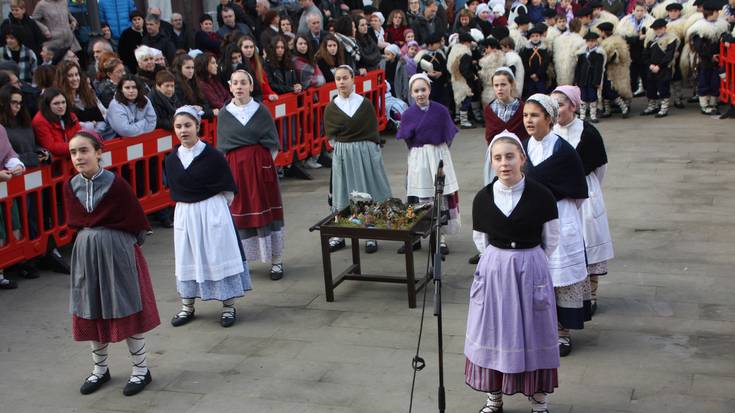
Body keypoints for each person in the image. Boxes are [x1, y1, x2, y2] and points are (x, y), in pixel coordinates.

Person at [466, 130, 560, 413]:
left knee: (535, 331)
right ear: (491, 163)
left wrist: (529, 262)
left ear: (522, 159)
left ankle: (539, 401)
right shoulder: (483, 198)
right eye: (498, 158)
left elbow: (551, 238)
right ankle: (494, 398)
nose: (504, 163)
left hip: (531, 266)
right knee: (493, 331)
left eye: (510, 156)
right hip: (495, 270)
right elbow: (480, 239)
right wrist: (499, 263)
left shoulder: (541, 196)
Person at [64, 130, 159, 396]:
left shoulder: (116, 185)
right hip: (86, 254)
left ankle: (141, 370)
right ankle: (100, 370)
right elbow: (74, 222)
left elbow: (136, 222)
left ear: (98, 153)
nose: (79, 157)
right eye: (73, 152)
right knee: (90, 306)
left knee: (125, 305)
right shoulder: (70, 186)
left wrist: (118, 246)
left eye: (84, 151)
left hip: (117, 252)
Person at [165, 106, 252, 328]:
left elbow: (228, 190)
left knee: (218, 253)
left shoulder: (212, 155)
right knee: (188, 255)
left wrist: (214, 210)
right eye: (178, 126)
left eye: (187, 125)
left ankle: (228, 306)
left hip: (211, 210)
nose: (183, 130)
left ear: (197, 126)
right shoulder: (172, 159)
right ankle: (187, 306)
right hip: (186, 213)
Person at [522, 93, 589, 358]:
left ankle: (563, 332)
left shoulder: (563, 150)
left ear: (549, 119)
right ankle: (540, 329)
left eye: (535, 115)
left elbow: (578, 191)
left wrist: (561, 212)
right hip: (531, 220)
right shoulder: (524, 147)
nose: (529, 120)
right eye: (526, 115)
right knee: (538, 277)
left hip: (560, 216)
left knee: (560, 278)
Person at [216, 70, 285, 280]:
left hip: (260, 167)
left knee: (267, 209)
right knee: (239, 211)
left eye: (243, 83)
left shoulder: (261, 111)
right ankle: (242, 260)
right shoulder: (225, 113)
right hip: (236, 169)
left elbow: (272, 144)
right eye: (235, 83)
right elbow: (223, 148)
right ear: (230, 87)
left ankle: (276, 261)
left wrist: (263, 164)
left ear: (251, 86)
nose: (239, 87)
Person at [551, 85, 613, 317]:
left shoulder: (588, 133)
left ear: (573, 107)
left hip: (585, 192)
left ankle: (592, 292)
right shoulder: (549, 132)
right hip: (558, 194)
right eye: (554, 104)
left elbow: (600, 167)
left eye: (561, 104)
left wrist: (589, 189)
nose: (557, 109)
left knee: (589, 239)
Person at [324, 65, 392, 254]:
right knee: (342, 191)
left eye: (345, 78)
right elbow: (331, 136)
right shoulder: (332, 107)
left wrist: (371, 155)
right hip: (344, 153)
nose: (342, 82)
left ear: (353, 79)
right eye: (338, 79)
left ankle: (370, 233)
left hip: (364, 153)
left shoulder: (364, 103)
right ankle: (340, 234)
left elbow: (373, 132)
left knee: (366, 191)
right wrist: (341, 151)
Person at [396, 73, 460, 254]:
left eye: (423, 89)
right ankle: (414, 236)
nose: (420, 94)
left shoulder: (441, 111)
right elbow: (407, 139)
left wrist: (438, 151)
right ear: (411, 93)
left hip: (438, 154)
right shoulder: (408, 114)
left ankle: (440, 237)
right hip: (418, 157)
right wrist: (419, 154)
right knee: (416, 195)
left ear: (429, 90)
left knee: (438, 196)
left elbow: (449, 136)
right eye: (416, 91)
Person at [688, 0, 728, 115]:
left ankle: (713, 103)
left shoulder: (722, 26)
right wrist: (710, 56)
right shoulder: (699, 28)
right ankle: (704, 105)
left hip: (718, 59)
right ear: (711, 12)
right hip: (705, 60)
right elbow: (698, 46)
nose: (718, 13)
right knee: (704, 81)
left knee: (716, 81)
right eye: (716, 11)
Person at [55, 60, 109, 136]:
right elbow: (69, 127)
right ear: (62, 78)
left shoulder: (87, 95)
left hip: (96, 138)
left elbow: (101, 121)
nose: (75, 78)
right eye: (70, 76)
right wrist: (90, 125)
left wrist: (91, 130)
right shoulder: (60, 100)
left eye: (76, 74)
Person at [640, 18, 678, 117]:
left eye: (660, 28)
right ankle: (652, 106)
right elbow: (645, 54)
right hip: (651, 67)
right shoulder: (650, 38)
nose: (658, 31)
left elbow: (669, 55)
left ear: (665, 28)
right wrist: (650, 65)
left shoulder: (671, 38)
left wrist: (659, 66)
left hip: (664, 68)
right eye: (656, 29)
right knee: (650, 88)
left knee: (663, 88)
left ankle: (664, 108)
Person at [32, 88, 81, 157]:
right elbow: (51, 146)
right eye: (56, 103)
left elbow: (80, 135)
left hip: (74, 155)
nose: (61, 106)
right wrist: (77, 147)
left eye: (63, 102)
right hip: (57, 162)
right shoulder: (40, 121)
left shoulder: (71, 116)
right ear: (47, 105)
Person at [597, 21, 632, 118]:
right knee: (605, 90)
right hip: (606, 70)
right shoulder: (603, 41)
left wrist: (610, 57)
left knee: (613, 90)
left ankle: (624, 107)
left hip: (615, 70)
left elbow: (619, 56)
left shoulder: (615, 42)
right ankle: (607, 110)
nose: (599, 33)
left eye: (600, 31)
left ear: (604, 32)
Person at [448, 32, 482, 129]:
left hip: (455, 78)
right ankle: (464, 121)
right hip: (464, 81)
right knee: (466, 99)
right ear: (467, 42)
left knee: (459, 99)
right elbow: (464, 69)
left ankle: (459, 117)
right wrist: (472, 76)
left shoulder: (454, 49)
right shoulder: (465, 52)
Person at [573, 31, 606, 122]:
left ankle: (593, 115)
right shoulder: (582, 54)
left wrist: (597, 81)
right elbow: (578, 68)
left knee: (592, 97)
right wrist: (577, 79)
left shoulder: (598, 54)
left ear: (596, 41)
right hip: (583, 79)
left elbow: (599, 69)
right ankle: (582, 116)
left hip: (592, 80)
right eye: (588, 41)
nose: (591, 43)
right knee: (583, 97)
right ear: (586, 42)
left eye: (593, 41)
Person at [171, 54, 216, 118]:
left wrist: (200, 108)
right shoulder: (176, 85)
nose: (191, 71)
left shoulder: (193, 82)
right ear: (179, 68)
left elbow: (205, 102)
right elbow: (184, 110)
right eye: (187, 67)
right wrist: (209, 112)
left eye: (192, 67)